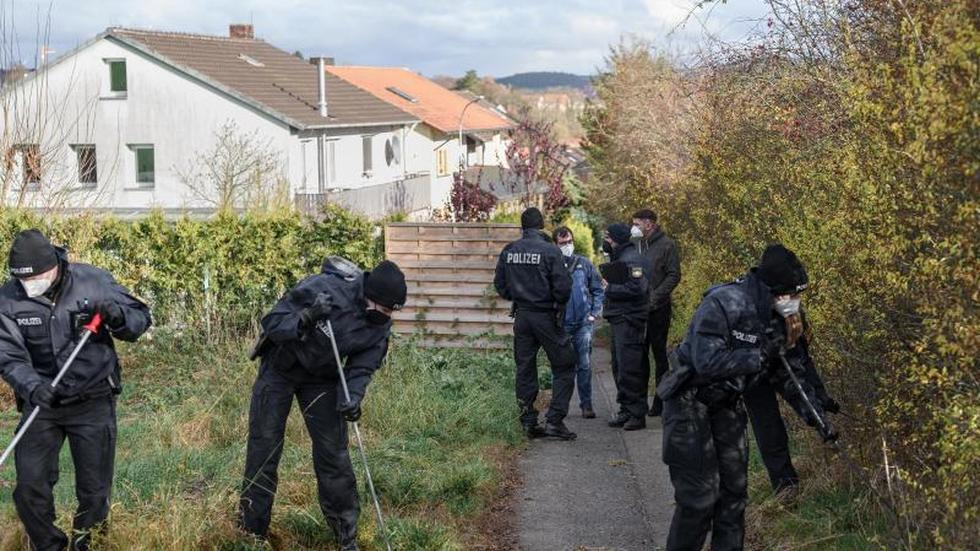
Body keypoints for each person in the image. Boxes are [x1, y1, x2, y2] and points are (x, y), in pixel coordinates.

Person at [657, 244, 836, 551]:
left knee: (734, 496)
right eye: (790, 294)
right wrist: (760, 355)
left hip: (727, 404)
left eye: (797, 295)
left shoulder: (782, 318)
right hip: (690, 401)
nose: (794, 301)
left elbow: (790, 373)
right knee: (699, 499)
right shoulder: (725, 302)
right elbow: (706, 362)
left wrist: (817, 414)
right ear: (773, 290)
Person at [239, 256, 407, 551]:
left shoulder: (379, 325)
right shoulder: (324, 288)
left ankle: (346, 536)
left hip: (322, 378)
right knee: (264, 449)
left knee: (334, 455)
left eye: (390, 312)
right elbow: (272, 322)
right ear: (369, 296)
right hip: (280, 369)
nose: (384, 316)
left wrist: (352, 398)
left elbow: (362, 367)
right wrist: (306, 317)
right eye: (381, 308)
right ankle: (251, 533)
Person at [0, 229, 152, 551]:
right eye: (23, 280)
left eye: (37, 277)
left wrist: (119, 317)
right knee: (29, 487)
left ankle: (87, 545)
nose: (31, 285)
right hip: (41, 403)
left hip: (92, 399)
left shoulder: (92, 282)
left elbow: (141, 319)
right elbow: (8, 356)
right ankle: (49, 546)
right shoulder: (9, 299)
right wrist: (32, 386)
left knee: (95, 492)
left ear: (54, 265)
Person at [494, 207, 577, 440]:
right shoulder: (550, 251)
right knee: (564, 365)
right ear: (542, 226)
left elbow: (499, 284)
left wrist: (518, 297)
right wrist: (555, 304)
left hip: (522, 316)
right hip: (546, 316)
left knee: (525, 368)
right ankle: (555, 420)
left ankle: (528, 421)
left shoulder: (509, 250)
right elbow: (562, 287)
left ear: (523, 227)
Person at [744, 311, 840, 494]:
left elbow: (804, 359)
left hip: (775, 354)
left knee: (802, 399)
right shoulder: (745, 312)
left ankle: (826, 442)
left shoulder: (793, 315)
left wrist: (821, 398)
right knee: (767, 426)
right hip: (746, 363)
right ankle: (785, 488)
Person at [601, 223, 652, 431]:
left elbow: (637, 288)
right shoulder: (621, 257)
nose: (606, 241)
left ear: (616, 239)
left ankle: (637, 414)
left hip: (629, 320)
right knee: (619, 366)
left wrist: (609, 288)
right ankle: (626, 409)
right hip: (619, 318)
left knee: (630, 367)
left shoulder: (632, 259)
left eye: (608, 237)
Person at [631, 209, 681, 418]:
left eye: (637, 224)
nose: (634, 228)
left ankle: (660, 402)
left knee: (659, 355)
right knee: (639, 357)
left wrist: (654, 297)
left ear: (649, 224)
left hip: (658, 309)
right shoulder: (637, 244)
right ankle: (640, 402)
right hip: (637, 309)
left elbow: (674, 275)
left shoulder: (667, 245)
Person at [553, 226, 604, 419]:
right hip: (562, 324)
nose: (567, 246)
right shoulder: (552, 265)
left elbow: (598, 289)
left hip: (583, 323)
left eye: (569, 242)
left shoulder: (584, 263)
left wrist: (594, 312)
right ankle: (559, 409)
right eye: (563, 243)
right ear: (555, 245)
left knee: (584, 365)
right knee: (560, 367)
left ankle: (587, 405)